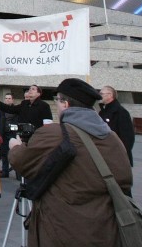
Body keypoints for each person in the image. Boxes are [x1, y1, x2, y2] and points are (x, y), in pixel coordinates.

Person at [9, 78, 132, 246]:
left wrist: (15, 147)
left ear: (65, 104)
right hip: (105, 228)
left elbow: (22, 163)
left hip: (62, 227)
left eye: (57, 101)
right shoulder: (112, 137)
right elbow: (125, 179)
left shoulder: (55, 134)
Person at [98, 85, 135, 166]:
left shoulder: (121, 112)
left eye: (101, 93)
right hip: (105, 153)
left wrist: (121, 154)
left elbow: (127, 137)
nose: (99, 95)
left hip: (116, 157)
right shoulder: (103, 111)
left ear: (110, 95)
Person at [0, 93, 18, 178]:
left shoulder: (16, 110)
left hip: (13, 134)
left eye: (9, 98)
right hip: (4, 134)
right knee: (4, 154)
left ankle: (18, 173)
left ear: (12, 100)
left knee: (15, 154)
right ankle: (5, 172)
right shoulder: (1, 111)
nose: (7, 100)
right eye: (6, 98)